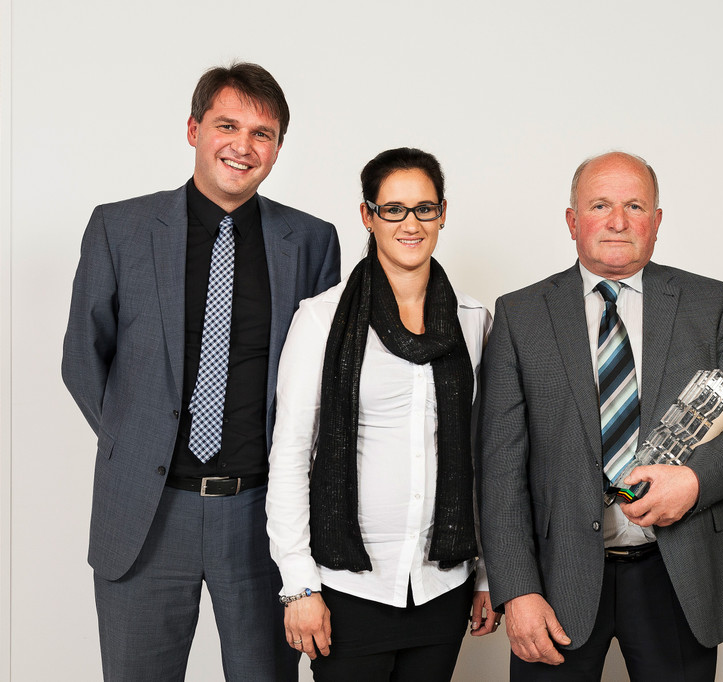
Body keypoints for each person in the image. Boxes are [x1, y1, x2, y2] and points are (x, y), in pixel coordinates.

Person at [61, 62, 341, 681]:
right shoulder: (120, 229)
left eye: (262, 133)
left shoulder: (312, 241)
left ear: (278, 148)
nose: (243, 146)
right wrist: (137, 444)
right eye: (227, 126)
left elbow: (322, 381)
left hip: (261, 517)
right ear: (194, 130)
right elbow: (82, 358)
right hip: (148, 514)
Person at [478, 151, 723, 681]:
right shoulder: (521, 315)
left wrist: (694, 482)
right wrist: (517, 590)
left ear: (656, 221)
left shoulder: (708, 304)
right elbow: (500, 470)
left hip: (677, 574)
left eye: (635, 206)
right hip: (557, 578)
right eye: (600, 205)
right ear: (572, 220)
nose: (618, 221)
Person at [266, 147, 500, 681]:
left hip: (443, 584)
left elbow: (481, 456)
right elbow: (292, 455)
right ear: (368, 215)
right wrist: (298, 584)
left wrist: (488, 572)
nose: (410, 224)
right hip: (347, 586)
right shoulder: (321, 319)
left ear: (443, 213)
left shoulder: (472, 320)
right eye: (393, 209)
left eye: (424, 208)